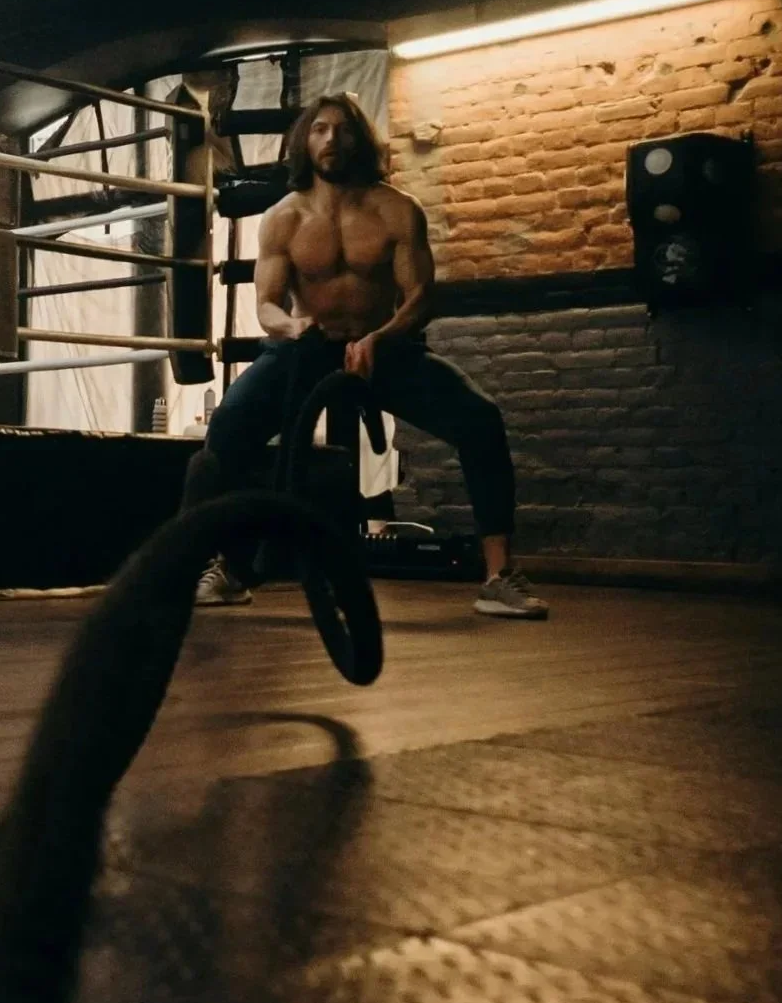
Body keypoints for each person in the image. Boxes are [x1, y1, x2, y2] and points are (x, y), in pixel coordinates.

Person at [186, 93, 548, 620]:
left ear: (360, 141)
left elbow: (421, 296)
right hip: (305, 349)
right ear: (304, 142)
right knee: (228, 430)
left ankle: (498, 576)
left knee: (480, 420)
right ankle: (226, 568)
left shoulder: (396, 210)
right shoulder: (282, 219)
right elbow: (265, 305)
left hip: (382, 348)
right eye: (320, 130)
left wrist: (383, 336)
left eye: (343, 130)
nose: (332, 140)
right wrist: (292, 325)